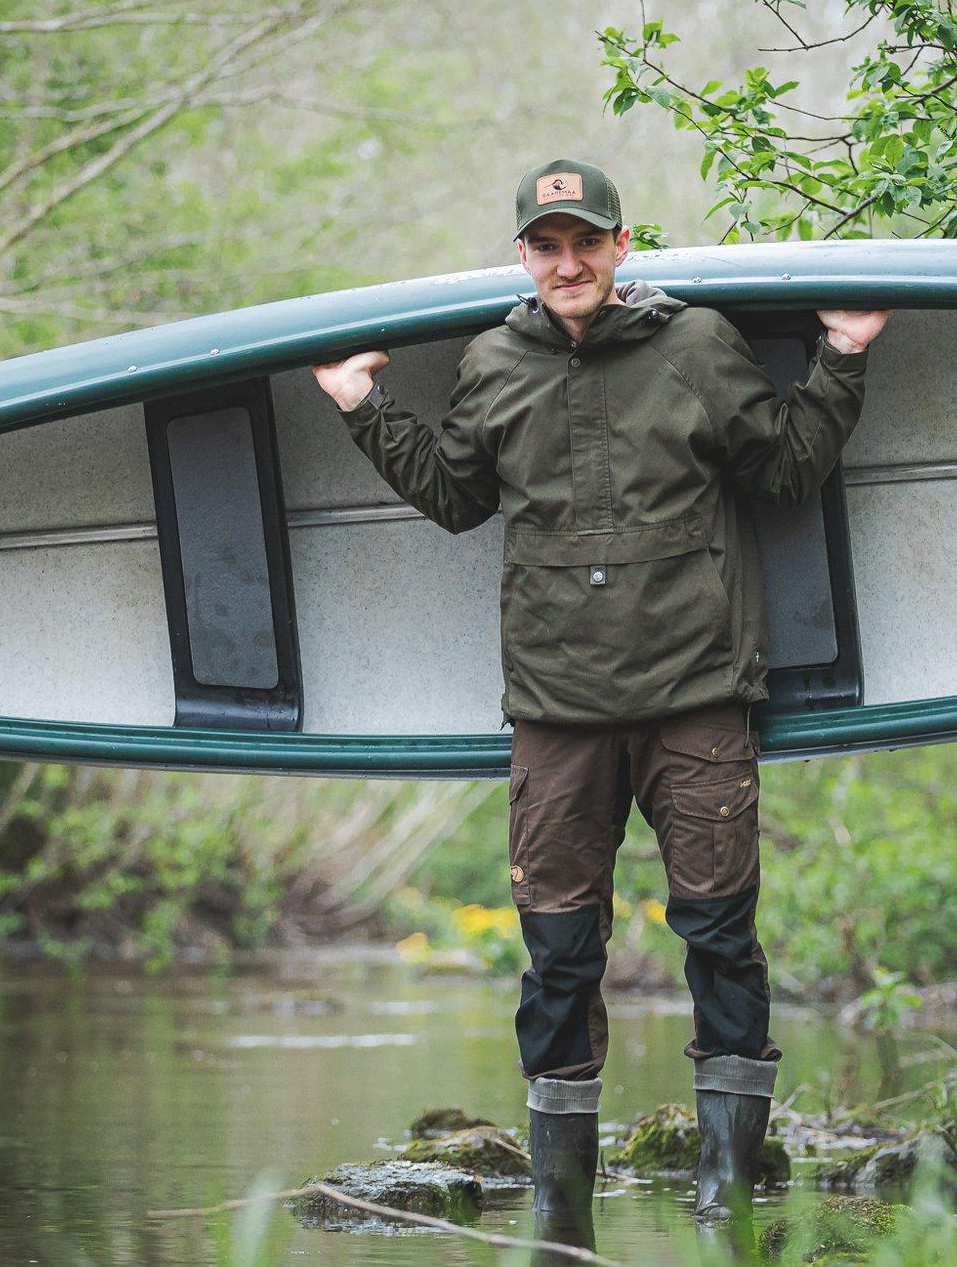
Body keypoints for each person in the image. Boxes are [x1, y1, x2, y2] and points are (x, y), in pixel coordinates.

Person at [314, 158, 890, 1231]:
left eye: (586, 242)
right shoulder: (491, 361)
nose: (567, 262)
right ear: (524, 257)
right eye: (546, 245)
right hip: (557, 709)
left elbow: (781, 472)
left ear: (621, 248)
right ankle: (560, 1214)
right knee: (558, 955)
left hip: (696, 693)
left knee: (719, 934)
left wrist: (843, 355)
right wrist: (361, 405)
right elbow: (452, 496)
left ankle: (724, 1196)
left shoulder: (697, 345)